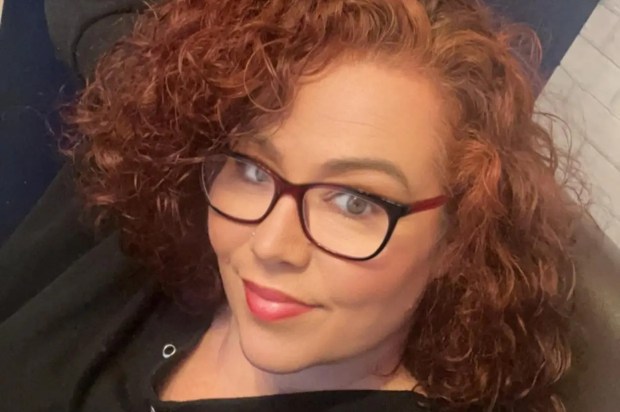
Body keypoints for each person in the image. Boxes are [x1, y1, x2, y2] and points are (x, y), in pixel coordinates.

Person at [0, 0, 585, 411]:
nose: (269, 245)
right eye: (253, 169)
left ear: (459, 236)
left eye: (354, 202)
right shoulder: (150, 245)